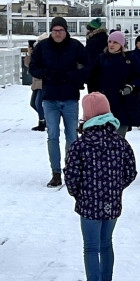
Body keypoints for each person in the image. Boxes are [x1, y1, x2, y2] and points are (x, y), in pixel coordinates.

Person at [65, 92, 137, 281]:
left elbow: (71, 175)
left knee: (91, 247)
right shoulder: (120, 142)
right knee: (106, 244)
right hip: (112, 202)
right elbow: (130, 172)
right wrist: (116, 188)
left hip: (89, 204)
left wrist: (77, 193)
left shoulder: (81, 145)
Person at [29, 16, 89, 187]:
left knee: (72, 135)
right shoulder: (42, 47)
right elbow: (33, 67)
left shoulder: (75, 46)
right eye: (55, 30)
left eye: (61, 30)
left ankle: (71, 170)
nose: (57, 33)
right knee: (52, 135)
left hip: (70, 97)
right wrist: (47, 73)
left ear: (66, 30)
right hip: (50, 97)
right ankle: (55, 172)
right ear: (51, 31)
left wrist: (72, 76)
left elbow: (87, 67)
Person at [87, 31, 140, 137]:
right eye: (110, 41)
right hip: (103, 105)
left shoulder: (130, 58)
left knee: (118, 139)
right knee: (103, 139)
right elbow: (91, 78)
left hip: (123, 104)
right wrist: (94, 95)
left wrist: (130, 87)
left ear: (121, 44)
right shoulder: (101, 58)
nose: (111, 44)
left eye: (115, 42)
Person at [24, 34, 48, 131]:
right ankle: (45, 118)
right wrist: (30, 54)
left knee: (38, 103)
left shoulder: (47, 54)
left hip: (43, 82)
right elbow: (28, 65)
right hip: (36, 82)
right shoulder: (36, 54)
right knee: (33, 103)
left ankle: (42, 122)